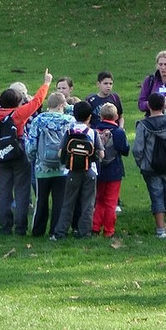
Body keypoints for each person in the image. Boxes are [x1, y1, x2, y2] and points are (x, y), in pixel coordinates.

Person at [0, 73, 51, 235]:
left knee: (5, 192)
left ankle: (5, 227)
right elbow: (37, 102)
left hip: (1, 157)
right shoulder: (18, 114)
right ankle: (20, 228)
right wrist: (46, 83)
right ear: (17, 102)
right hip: (20, 155)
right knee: (22, 192)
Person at [134, 91, 166, 238]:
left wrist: (142, 163)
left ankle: (161, 231)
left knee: (157, 196)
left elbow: (138, 149)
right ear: (164, 106)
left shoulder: (143, 125)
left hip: (150, 168)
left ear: (148, 106)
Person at [24, 92, 73, 238]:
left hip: (42, 167)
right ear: (62, 105)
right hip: (62, 167)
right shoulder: (69, 120)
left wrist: (32, 158)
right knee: (59, 200)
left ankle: (37, 231)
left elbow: (31, 145)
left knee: (41, 199)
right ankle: (56, 231)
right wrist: (67, 106)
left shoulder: (39, 120)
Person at [52, 101, 99, 239]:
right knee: (88, 203)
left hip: (71, 171)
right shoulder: (92, 132)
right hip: (90, 170)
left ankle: (61, 231)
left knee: (68, 202)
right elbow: (100, 154)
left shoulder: (69, 132)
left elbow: (60, 153)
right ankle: (85, 231)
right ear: (89, 117)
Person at [91, 102, 129, 239]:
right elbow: (125, 150)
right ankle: (109, 230)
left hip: (98, 170)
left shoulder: (94, 131)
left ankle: (95, 227)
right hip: (115, 170)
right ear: (116, 116)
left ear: (100, 116)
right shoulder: (118, 132)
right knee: (111, 202)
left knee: (99, 200)